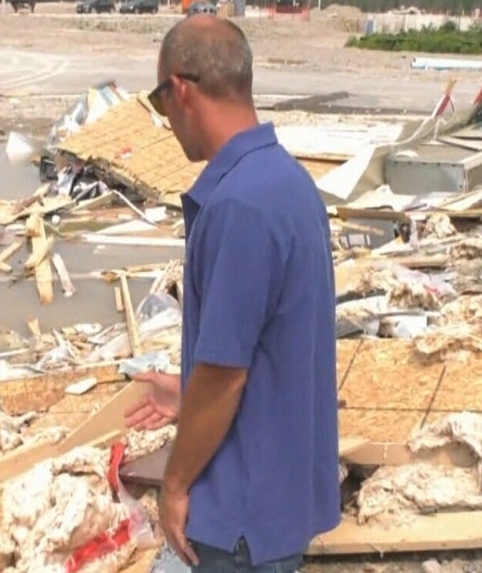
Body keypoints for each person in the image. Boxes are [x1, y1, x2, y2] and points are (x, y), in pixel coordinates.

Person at [124, 13, 340, 573]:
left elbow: (226, 375)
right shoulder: (289, 184)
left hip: (240, 516)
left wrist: (174, 485)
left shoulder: (239, 205)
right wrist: (186, 391)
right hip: (281, 502)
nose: (167, 122)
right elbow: (268, 346)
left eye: (160, 103)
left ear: (179, 90)